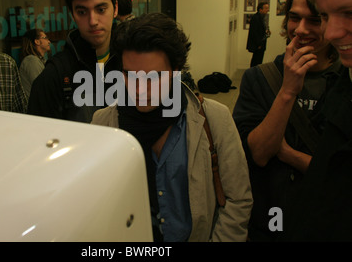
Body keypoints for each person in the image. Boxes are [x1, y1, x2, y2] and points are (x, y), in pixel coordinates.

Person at [91, 13, 252, 242]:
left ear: (175, 70)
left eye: (153, 77)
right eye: (129, 75)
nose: (140, 89)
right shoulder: (103, 124)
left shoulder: (214, 119)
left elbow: (238, 200)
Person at [232, 0, 342, 241]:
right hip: (267, 220)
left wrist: (288, 154)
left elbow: (341, 176)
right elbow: (258, 153)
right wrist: (288, 91)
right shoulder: (258, 79)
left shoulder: (344, 84)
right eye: (294, 18)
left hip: (326, 222)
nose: (301, 29)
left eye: (315, 20)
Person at [279, 0, 352, 241]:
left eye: (349, 12)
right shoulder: (344, 86)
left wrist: (287, 153)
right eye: (325, 15)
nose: (332, 32)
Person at [27, 0, 121, 122]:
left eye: (101, 9)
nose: (93, 21)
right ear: (72, 14)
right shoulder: (54, 76)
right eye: (82, 12)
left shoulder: (133, 63)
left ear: (115, 8)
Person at [19, 29, 51, 99]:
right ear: (37, 41)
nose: (49, 41)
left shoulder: (39, 60)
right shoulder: (31, 61)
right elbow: (42, 88)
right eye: (45, 38)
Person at [247, 2, 271, 67]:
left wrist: (266, 31)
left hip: (261, 44)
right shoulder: (256, 18)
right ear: (260, 9)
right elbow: (254, 32)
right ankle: (253, 75)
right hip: (258, 45)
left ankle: (255, 74)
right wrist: (259, 44)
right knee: (256, 61)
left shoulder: (261, 18)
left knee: (258, 61)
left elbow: (260, 30)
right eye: (266, 8)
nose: (268, 10)